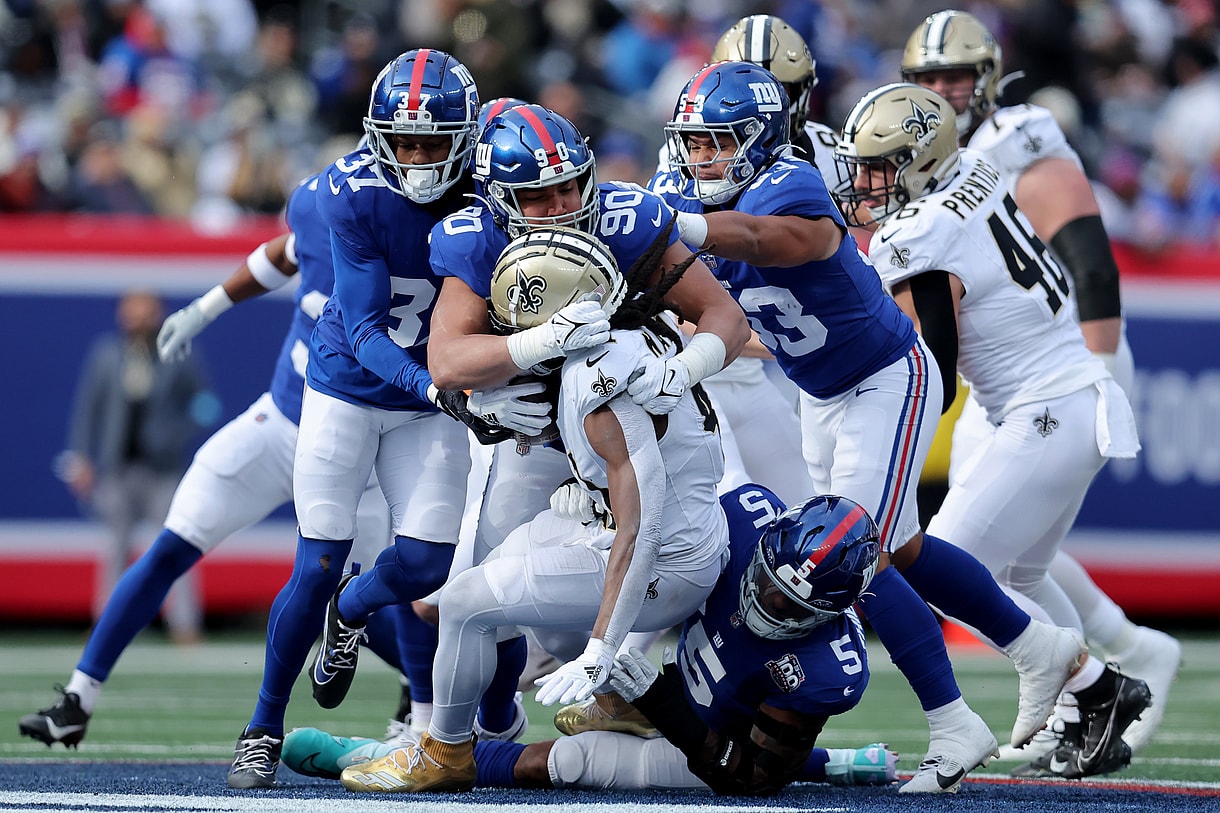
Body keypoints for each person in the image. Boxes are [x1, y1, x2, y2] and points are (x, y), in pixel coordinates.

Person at [651, 60, 1088, 793]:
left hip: (886, 376)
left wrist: (674, 227)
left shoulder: (784, 181)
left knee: (851, 556)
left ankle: (954, 722)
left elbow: (770, 239)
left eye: (719, 142)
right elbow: (712, 308)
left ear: (759, 139)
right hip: (819, 389)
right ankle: (1040, 644)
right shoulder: (679, 195)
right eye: (692, 142)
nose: (701, 159)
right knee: (903, 545)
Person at [301, 103, 751, 731]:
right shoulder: (477, 235)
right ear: (499, 195)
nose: (562, 206)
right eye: (538, 196)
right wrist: (537, 346)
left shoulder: (624, 221)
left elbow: (724, 314)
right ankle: (482, 728)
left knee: (671, 564)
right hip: (531, 436)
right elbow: (449, 358)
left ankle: (666, 704)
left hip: (635, 419)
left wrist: (689, 365)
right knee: (464, 601)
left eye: (570, 185)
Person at [336, 225, 809, 794]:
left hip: (664, 559)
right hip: (634, 523)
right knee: (459, 603)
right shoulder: (630, 332)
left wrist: (604, 646)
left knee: (460, 603)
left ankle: (445, 752)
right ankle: (616, 701)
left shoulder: (601, 386)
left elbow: (643, 526)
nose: (514, 335)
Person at [832, 81, 1154, 780]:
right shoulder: (971, 170)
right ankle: (1093, 698)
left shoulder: (921, 231)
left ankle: (1091, 683)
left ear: (921, 162)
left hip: (1048, 406)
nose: (864, 181)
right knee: (1024, 573)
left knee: (946, 561)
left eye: (881, 166)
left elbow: (934, 369)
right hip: (1071, 396)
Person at [225, 48, 512, 790]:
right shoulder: (351, 193)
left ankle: (350, 615)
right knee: (317, 558)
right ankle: (261, 725)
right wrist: (434, 383)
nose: (416, 158)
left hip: (429, 395)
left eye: (432, 141)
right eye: (403, 140)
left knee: (425, 568)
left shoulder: (494, 188)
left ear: (468, 134)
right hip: (353, 388)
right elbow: (361, 330)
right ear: (377, 134)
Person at [899, 9, 1181, 756]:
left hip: (1058, 370)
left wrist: (1097, 369)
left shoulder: (1014, 139)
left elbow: (1091, 262)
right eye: (926, 78)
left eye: (954, 75)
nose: (941, 90)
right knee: (1015, 557)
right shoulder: (929, 160)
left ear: (989, 78)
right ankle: (1106, 676)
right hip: (1008, 381)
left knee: (961, 556)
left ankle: (1097, 676)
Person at [282, 483, 900, 794]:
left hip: (707, 739)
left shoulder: (824, 668)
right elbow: (672, 564)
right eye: (766, 583)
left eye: (786, 606)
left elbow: (750, 779)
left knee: (566, 762)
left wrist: (655, 697)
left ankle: (366, 752)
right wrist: (603, 507)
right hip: (664, 677)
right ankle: (839, 764)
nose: (765, 604)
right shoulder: (746, 517)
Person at [56, 289, 211, 648]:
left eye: (145, 313)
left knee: (176, 544)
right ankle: (106, 624)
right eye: (132, 313)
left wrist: (176, 435)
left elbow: (205, 403)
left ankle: (184, 623)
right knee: (114, 548)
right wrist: (81, 456)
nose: (138, 320)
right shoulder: (107, 355)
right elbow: (88, 408)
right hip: (118, 467)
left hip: (163, 468)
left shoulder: (179, 352)